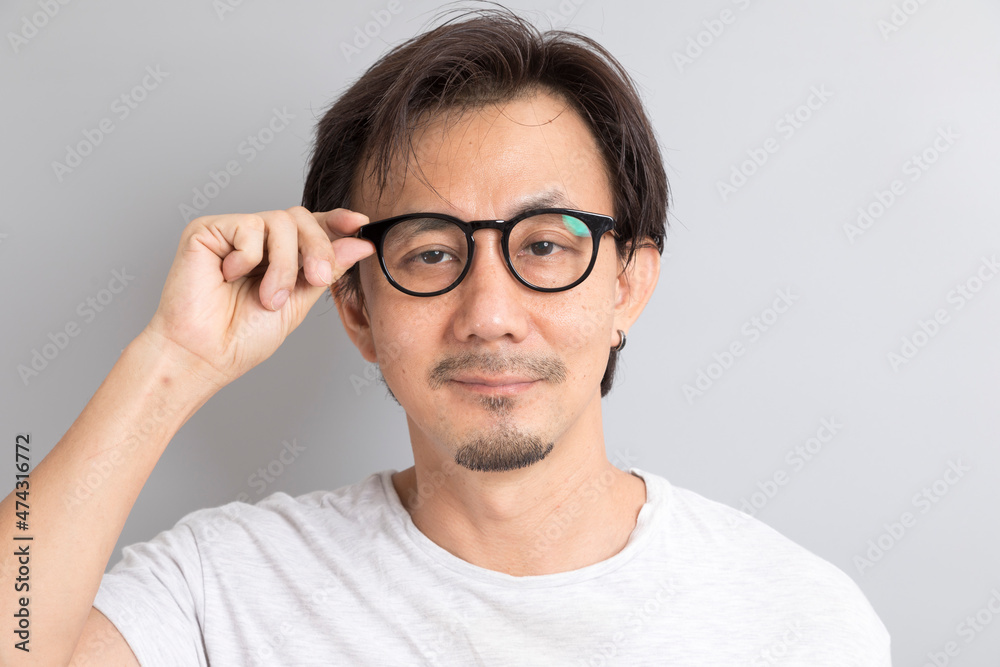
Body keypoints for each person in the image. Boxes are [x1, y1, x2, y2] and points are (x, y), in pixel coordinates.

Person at [0, 8, 890, 666]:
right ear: (355, 309)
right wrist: (173, 364)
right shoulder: (221, 587)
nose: (490, 311)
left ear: (629, 285)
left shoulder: (801, 621)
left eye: (545, 246)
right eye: (431, 254)